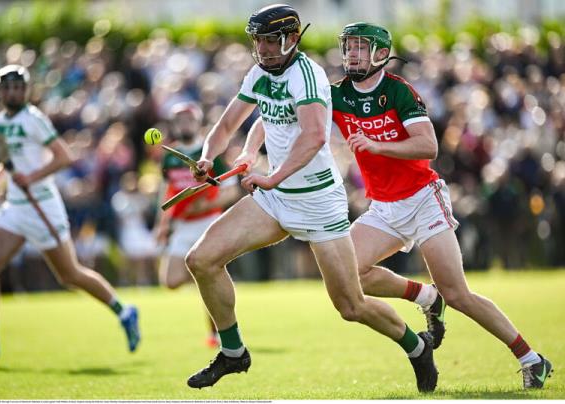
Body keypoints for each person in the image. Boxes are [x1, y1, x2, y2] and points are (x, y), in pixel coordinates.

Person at [184, 4, 438, 392]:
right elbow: (230, 123)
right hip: (275, 198)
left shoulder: (308, 76)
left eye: (272, 40)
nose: (264, 49)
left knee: (351, 306)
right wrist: (207, 155)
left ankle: (416, 346)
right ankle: (233, 353)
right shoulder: (259, 73)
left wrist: (273, 176)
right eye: (259, 41)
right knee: (201, 260)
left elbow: (314, 135)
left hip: (318, 201)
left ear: (291, 39)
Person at [330, 22, 552, 389]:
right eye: (349, 47)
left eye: (360, 47)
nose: (352, 54)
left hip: (422, 199)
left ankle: (532, 359)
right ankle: (426, 297)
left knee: (458, 293)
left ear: (382, 54)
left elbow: (428, 146)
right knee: (349, 274)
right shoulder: (336, 95)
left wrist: (378, 145)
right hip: (383, 206)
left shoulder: (399, 92)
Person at [0, 64, 140, 359]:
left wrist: (31, 178)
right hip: (16, 207)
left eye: (18, 86)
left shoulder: (34, 120)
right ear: (0, 90)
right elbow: (9, 159)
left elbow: (64, 157)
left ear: (26, 89)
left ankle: (124, 312)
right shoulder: (0, 122)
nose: (13, 92)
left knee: (70, 275)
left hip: (43, 205)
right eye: (7, 87)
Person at [155, 101, 240, 348]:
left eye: (188, 119)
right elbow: (168, 190)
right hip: (182, 225)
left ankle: (216, 333)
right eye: (179, 120)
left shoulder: (209, 154)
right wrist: (162, 224)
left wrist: (202, 206)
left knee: (207, 276)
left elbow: (230, 192)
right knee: (170, 282)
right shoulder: (170, 157)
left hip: (208, 223)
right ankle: (209, 288)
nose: (184, 124)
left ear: (197, 122)